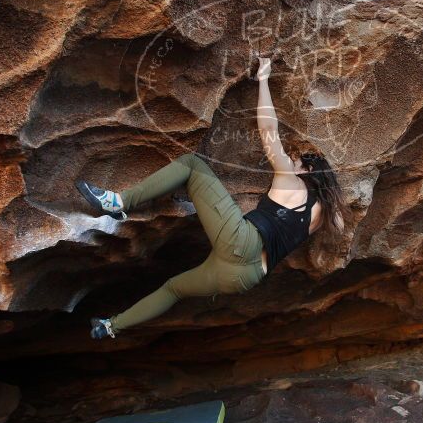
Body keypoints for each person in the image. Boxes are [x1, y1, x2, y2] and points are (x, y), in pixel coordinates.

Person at [78, 57, 347, 339]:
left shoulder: (292, 181)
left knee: (193, 165)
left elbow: (269, 130)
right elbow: (339, 222)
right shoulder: (321, 215)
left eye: (297, 160)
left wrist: (265, 79)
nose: (291, 162)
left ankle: (119, 203)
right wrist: (330, 187)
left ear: (309, 169)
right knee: (174, 288)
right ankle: (110, 326)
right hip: (246, 277)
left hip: (242, 243)